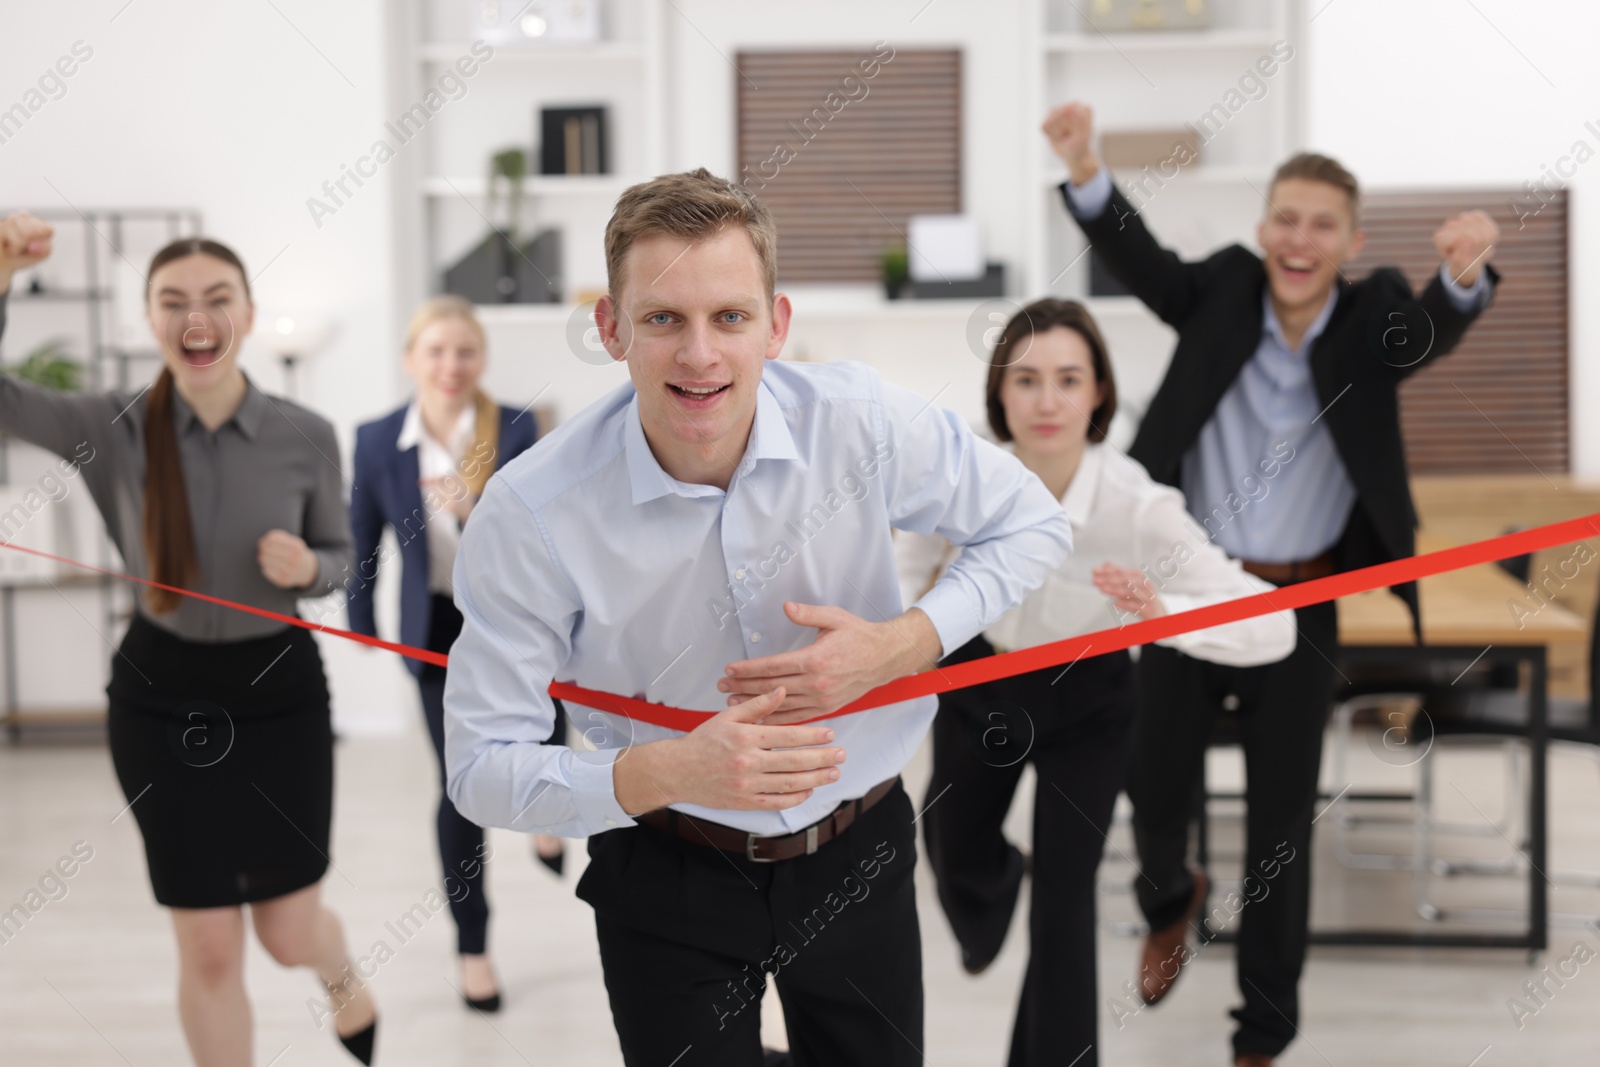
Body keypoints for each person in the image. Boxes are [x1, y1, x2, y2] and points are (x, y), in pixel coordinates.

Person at [440, 167, 1073, 1066]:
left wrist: (903, 644)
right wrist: (662, 769)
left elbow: (1033, 522)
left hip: (858, 853)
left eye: (729, 317)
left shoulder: (860, 421)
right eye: (663, 319)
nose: (699, 354)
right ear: (611, 329)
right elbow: (478, 767)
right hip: (662, 872)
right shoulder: (532, 509)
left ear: (775, 325)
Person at [1043, 102, 1501, 1066]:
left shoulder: (1375, 314)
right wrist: (1086, 166)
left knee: (1281, 825)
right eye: (1285, 218)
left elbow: (1429, 332)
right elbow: (1145, 263)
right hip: (1187, 590)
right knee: (1154, 791)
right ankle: (1170, 897)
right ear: (1263, 228)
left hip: (1303, 602)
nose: (1300, 240)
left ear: (1352, 241)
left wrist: (1460, 280)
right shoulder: (1222, 292)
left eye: (1322, 224)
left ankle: (1262, 1033)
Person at [0, 212, 377, 1065]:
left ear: (245, 312)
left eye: (216, 297)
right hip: (159, 698)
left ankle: (341, 972)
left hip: (278, 691)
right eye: (173, 300)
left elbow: (343, 561)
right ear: (150, 318)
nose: (194, 316)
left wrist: (306, 565)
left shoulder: (305, 433)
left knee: (286, 932)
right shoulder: (110, 423)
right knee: (208, 944)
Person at [896, 297, 1297, 1067]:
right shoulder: (957, 477)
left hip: (1090, 703)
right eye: (1027, 380)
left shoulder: (1140, 506)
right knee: (950, 851)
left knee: (1066, 906)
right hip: (981, 681)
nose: (1047, 401)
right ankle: (991, 894)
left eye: (1069, 379)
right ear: (999, 395)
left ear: (1099, 394)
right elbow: (904, 575)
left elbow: (1274, 624)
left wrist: (1165, 613)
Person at [346, 295, 563, 1013]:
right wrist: (362, 622)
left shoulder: (515, 426)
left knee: (547, 730)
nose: (450, 365)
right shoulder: (379, 438)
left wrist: (476, 509)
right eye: (435, 351)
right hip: (435, 625)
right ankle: (473, 948)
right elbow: (363, 535)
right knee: (461, 784)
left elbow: (546, 534)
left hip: (517, 618)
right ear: (411, 360)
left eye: (464, 351)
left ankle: (546, 815)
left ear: (482, 360)